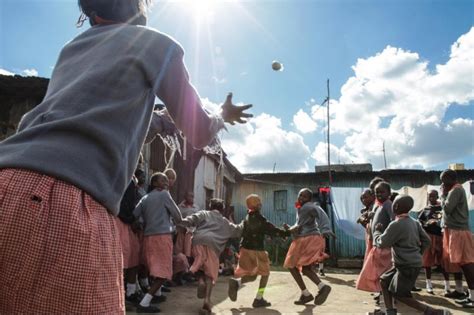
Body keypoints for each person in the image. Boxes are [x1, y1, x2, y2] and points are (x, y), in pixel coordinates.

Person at [0, 1, 252, 313]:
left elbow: (136, 121)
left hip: (7, 177)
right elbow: (198, 130)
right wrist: (220, 115)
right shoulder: (157, 45)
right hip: (67, 199)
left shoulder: (71, 49)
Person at [373, 195, 451, 315]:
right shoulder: (414, 223)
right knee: (384, 281)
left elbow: (382, 243)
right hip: (406, 264)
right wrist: (418, 254)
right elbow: (426, 241)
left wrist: (377, 232)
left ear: (396, 206)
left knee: (400, 295)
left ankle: (434, 312)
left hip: (405, 266)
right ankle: (389, 311)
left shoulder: (396, 224)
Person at [181, 198, 243, 315]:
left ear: (210, 207)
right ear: (222, 209)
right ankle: (207, 301)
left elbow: (192, 219)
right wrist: (245, 223)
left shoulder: (204, 213)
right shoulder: (224, 221)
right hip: (213, 246)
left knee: (200, 265)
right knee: (210, 273)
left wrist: (180, 221)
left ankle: (200, 281)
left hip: (198, 241)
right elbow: (237, 231)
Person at [228, 194, 290, 308]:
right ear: (256, 205)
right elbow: (271, 229)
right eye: (258, 202)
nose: (260, 203)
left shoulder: (247, 217)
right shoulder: (259, 218)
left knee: (253, 275)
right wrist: (285, 233)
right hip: (256, 249)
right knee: (265, 274)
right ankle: (259, 298)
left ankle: (237, 283)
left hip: (245, 248)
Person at [133, 172, 183, 313]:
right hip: (162, 236)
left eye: (167, 180)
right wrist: (178, 224)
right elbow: (177, 215)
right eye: (163, 180)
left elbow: (135, 215)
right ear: (154, 183)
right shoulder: (164, 194)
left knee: (154, 267)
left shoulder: (145, 197)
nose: (166, 183)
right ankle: (144, 303)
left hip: (148, 237)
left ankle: (157, 295)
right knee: (163, 272)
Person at [284, 188, 332, 306]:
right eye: (300, 195)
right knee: (305, 269)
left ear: (309, 199)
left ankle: (312, 291)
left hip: (307, 239)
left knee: (291, 265)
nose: (301, 198)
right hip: (306, 238)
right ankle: (312, 291)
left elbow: (321, 213)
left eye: (304, 197)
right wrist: (290, 229)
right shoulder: (301, 209)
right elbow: (300, 225)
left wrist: (325, 228)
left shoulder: (309, 206)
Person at [440, 169, 474, 308]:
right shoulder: (455, 190)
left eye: (443, 180)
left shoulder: (455, 190)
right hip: (454, 230)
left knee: (466, 263)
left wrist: (443, 195)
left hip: (458, 231)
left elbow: (447, 208)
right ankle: (460, 291)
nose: (442, 183)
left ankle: (472, 297)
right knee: (459, 263)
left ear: (450, 178)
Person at [356, 182, 394, 294]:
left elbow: (393, 221)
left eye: (382, 192)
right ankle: (382, 294)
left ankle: (386, 296)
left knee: (382, 270)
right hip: (377, 243)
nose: (379, 194)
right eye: (377, 192)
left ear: (389, 193)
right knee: (377, 270)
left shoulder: (388, 204)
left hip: (384, 244)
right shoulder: (378, 205)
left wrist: (386, 233)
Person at [418, 190, 451, 295]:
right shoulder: (426, 209)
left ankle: (447, 285)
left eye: (433, 196)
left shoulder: (441, 208)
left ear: (437, 196)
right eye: (429, 196)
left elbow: (446, 219)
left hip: (440, 237)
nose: (431, 198)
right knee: (427, 261)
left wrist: (437, 222)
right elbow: (420, 221)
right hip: (428, 237)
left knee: (443, 261)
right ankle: (429, 284)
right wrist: (425, 223)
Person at [357, 189, 376, 262]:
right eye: (361, 198)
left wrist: (363, 220)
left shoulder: (374, 207)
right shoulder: (366, 209)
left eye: (365, 197)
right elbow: (367, 225)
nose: (363, 200)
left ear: (373, 196)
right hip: (370, 236)